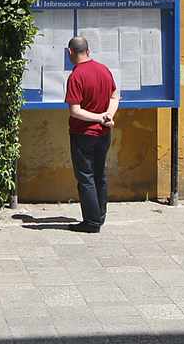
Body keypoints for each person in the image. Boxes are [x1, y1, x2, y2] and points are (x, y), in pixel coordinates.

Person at [64, 36, 118, 232]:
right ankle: (100, 216)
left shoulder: (76, 76)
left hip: (83, 134)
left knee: (86, 177)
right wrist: (108, 116)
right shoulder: (103, 69)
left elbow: (75, 111)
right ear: (88, 51)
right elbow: (115, 95)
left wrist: (97, 118)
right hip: (104, 133)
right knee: (99, 175)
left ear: (70, 52)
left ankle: (92, 222)